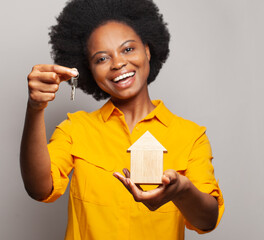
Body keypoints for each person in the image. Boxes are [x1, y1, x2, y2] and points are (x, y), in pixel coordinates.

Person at [20, 0, 224, 239]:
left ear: (147, 50)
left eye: (128, 49)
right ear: (88, 70)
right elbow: (39, 189)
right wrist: (35, 107)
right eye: (101, 59)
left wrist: (182, 191)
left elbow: (207, 221)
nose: (117, 64)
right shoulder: (75, 129)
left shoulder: (190, 136)